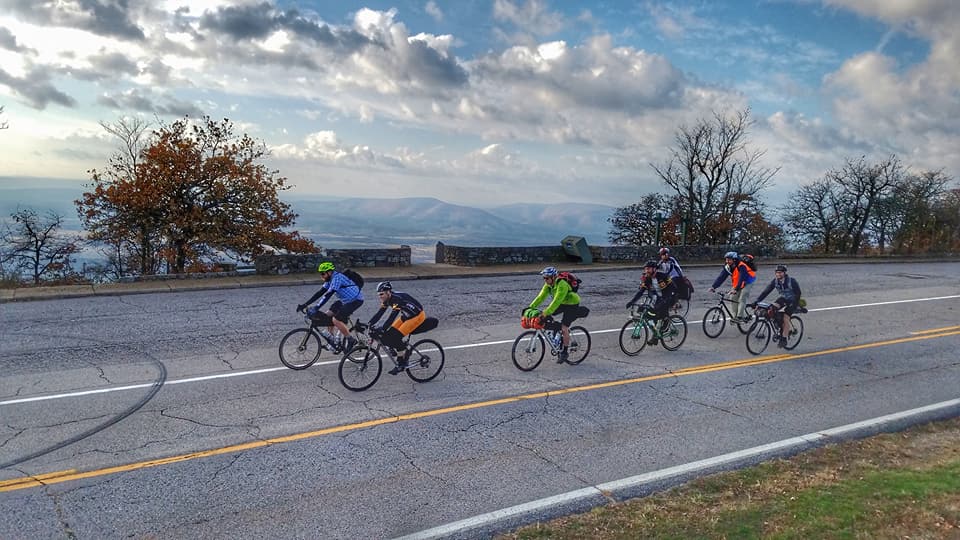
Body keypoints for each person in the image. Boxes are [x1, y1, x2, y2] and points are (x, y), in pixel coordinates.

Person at [296, 261, 363, 353]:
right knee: (327, 315)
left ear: (330, 272)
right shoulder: (329, 279)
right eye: (320, 274)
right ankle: (334, 343)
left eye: (323, 274)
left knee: (336, 319)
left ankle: (351, 340)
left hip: (356, 300)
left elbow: (328, 294)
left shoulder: (337, 278)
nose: (322, 276)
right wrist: (305, 304)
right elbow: (320, 292)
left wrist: (316, 307)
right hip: (344, 301)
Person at [528, 266, 585, 363]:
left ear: (553, 277)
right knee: (548, 317)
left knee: (564, 327)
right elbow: (540, 297)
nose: (545, 280)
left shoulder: (562, 284)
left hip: (572, 304)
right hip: (563, 303)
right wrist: (530, 308)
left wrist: (545, 313)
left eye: (547, 278)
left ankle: (565, 352)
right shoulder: (548, 285)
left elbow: (556, 302)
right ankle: (557, 335)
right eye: (544, 278)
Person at [367, 281, 426, 374]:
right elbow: (380, 313)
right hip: (406, 316)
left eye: (381, 294)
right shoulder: (387, 300)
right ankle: (399, 348)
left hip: (417, 316)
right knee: (389, 334)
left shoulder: (396, 300)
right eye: (378, 295)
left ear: (388, 292)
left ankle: (401, 362)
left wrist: (382, 328)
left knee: (396, 337)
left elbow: (392, 317)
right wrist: (369, 324)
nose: (380, 297)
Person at [626, 260, 678, 346]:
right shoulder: (647, 279)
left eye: (648, 269)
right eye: (645, 269)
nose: (646, 271)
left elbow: (673, 288)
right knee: (648, 312)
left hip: (670, 297)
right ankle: (656, 334)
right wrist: (632, 301)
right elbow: (641, 292)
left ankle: (657, 334)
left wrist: (666, 300)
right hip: (658, 299)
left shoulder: (663, 276)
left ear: (654, 269)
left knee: (660, 314)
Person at [750, 264, 802, 348]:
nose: (778, 274)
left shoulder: (792, 281)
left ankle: (784, 338)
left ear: (784, 273)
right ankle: (779, 325)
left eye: (780, 272)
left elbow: (798, 293)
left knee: (786, 318)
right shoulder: (775, 281)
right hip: (784, 298)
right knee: (771, 309)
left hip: (793, 300)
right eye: (777, 272)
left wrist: (794, 304)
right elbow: (766, 291)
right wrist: (757, 301)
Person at [709, 251, 756, 323]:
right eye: (726, 259)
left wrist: (736, 289)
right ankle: (735, 317)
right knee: (733, 297)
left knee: (742, 297)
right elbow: (721, 277)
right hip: (737, 282)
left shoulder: (741, 265)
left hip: (748, 281)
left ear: (734, 259)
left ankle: (740, 317)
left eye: (729, 259)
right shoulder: (727, 267)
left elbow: (742, 278)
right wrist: (713, 287)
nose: (727, 261)